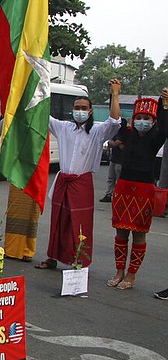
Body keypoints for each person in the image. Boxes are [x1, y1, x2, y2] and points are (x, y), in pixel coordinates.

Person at [35, 79, 121, 270]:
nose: (79, 110)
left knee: (80, 224)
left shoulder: (97, 131)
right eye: (76, 107)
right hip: (63, 181)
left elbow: (115, 121)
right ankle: (52, 257)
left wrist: (115, 95)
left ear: (90, 111)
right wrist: (36, 89)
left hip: (81, 183)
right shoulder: (64, 127)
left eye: (83, 107)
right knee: (58, 220)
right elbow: (42, 115)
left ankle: (79, 261)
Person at [108, 95, 168, 290]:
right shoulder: (127, 134)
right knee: (121, 232)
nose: (142, 122)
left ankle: (131, 275)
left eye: (147, 118)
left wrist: (164, 105)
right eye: (139, 117)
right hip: (123, 187)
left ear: (154, 121)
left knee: (139, 234)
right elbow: (115, 118)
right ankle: (119, 272)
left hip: (144, 190)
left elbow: (166, 126)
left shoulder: (156, 138)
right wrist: (114, 94)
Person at [100, 118, 126, 202]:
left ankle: (119, 195)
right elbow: (111, 143)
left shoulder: (124, 133)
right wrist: (111, 144)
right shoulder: (115, 133)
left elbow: (115, 143)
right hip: (114, 159)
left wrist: (112, 143)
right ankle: (109, 194)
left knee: (119, 179)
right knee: (111, 178)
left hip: (120, 161)